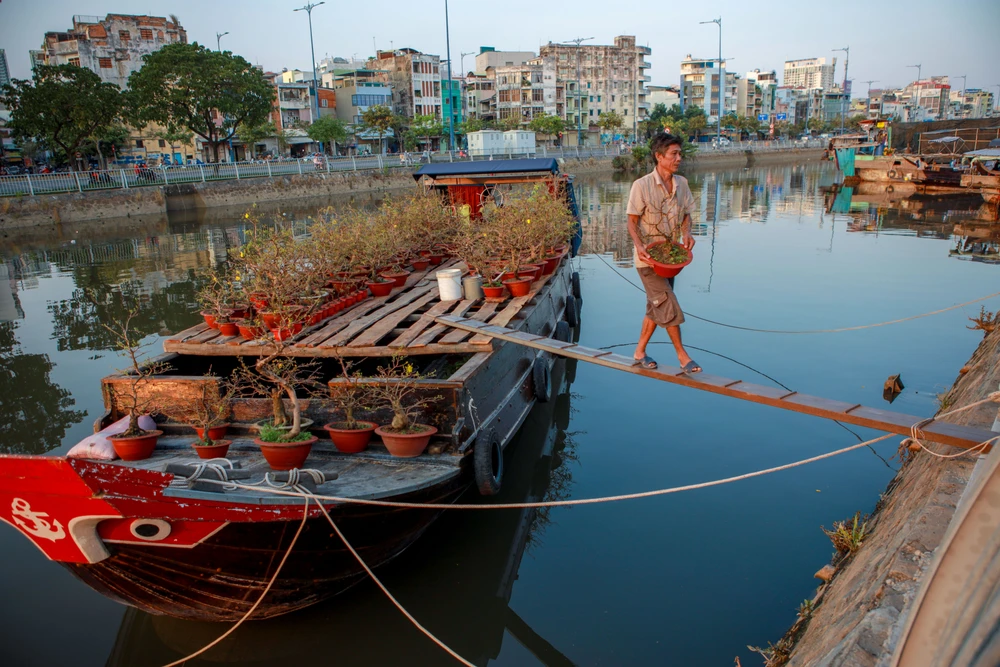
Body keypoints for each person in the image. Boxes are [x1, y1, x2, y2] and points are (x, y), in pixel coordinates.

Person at [626, 132, 700, 373]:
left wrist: (686, 233)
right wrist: (639, 246)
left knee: (656, 305)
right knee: (667, 304)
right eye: (673, 154)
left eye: (680, 153)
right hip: (648, 260)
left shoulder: (682, 184)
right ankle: (683, 356)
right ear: (659, 157)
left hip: (670, 259)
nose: (678, 158)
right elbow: (631, 222)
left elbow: (687, 213)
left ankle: (639, 352)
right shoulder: (642, 185)